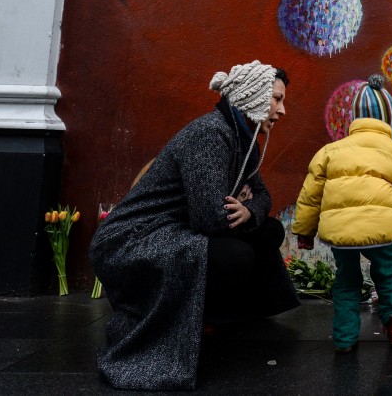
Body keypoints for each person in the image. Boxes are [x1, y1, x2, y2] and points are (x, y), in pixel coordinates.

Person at [90, 61, 298, 391]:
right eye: (276, 98)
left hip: (175, 228)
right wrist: (238, 207)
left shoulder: (245, 140)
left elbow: (262, 195)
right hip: (133, 238)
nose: (282, 110)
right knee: (236, 256)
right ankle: (182, 318)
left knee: (270, 231)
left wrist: (249, 210)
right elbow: (209, 218)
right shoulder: (211, 134)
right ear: (252, 97)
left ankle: (217, 313)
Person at [291, 74, 392, 352]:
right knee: (387, 274)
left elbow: (310, 196)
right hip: (381, 230)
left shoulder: (330, 152)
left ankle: (345, 338)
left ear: (354, 118)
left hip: (340, 232)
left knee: (346, 280)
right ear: (389, 118)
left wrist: (304, 232)